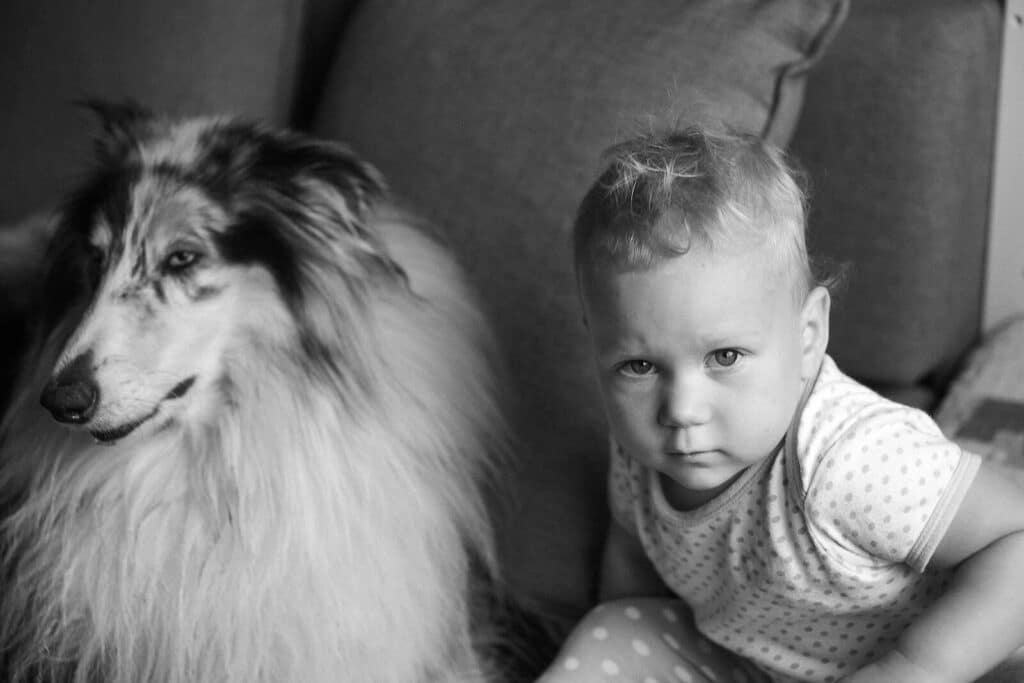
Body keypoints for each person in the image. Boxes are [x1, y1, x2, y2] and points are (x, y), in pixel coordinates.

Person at [537, 127, 1024, 682]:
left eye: (724, 356)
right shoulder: (639, 454)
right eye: (639, 366)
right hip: (756, 663)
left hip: (947, 663)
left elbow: (1016, 541)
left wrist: (919, 667)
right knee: (618, 629)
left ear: (809, 335)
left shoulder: (851, 457)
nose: (682, 410)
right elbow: (631, 561)